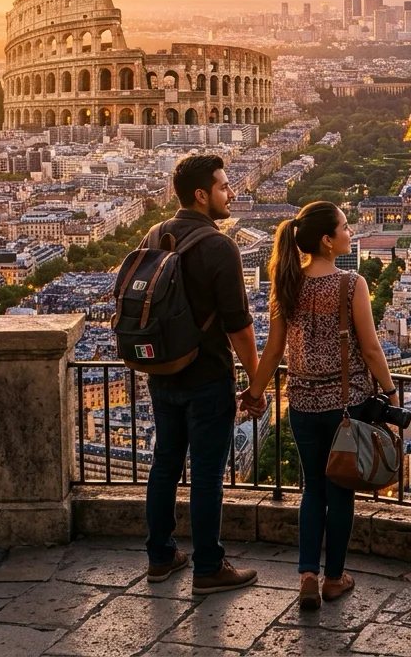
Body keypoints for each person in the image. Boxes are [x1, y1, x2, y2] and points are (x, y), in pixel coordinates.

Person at [239, 201, 398, 610]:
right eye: (345, 227)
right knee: (341, 492)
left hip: (303, 404)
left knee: (312, 489)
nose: (350, 233)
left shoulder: (287, 283)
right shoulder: (351, 284)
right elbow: (371, 348)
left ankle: (307, 574)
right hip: (347, 406)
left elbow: (273, 351)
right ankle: (333, 577)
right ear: (327, 241)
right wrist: (391, 391)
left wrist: (255, 394)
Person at [144, 154, 260, 595]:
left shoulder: (155, 234)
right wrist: (256, 381)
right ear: (201, 195)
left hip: (163, 371)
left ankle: (160, 556)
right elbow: (239, 325)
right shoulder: (219, 246)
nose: (231, 193)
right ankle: (209, 566)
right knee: (208, 476)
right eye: (225, 187)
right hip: (208, 377)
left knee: (165, 466)